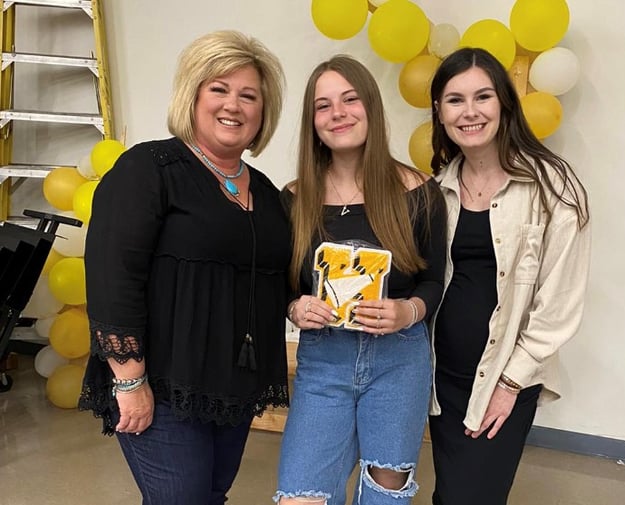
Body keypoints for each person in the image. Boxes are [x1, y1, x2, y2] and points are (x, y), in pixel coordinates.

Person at [77, 30, 291, 505]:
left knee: (211, 494)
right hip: (160, 383)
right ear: (192, 95)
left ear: (263, 110)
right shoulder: (150, 168)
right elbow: (114, 277)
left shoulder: (271, 195)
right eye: (219, 89)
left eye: (248, 95)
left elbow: (284, 278)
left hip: (230, 389)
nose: (233, 104)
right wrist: (130, 382)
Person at [274, 55, 447, 505]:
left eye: (350, 99)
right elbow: (282, 283)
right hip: (323, 362)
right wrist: (296, 307)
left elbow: (433, 281)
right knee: (300, 495)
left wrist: (407, 310)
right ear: (313, 121)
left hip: (399, 362)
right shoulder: (293, 199)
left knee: (386, 492)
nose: (338, 113)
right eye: (323, 105)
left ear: (371, 105)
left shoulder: (419, 191)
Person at [427, 47, 591, 505]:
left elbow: (559, 303)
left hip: (503, 378)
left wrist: (510, 384)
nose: (470, 111)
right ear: (439, 113)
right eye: (455, 100)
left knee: (470, 496)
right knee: (450, 491)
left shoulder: (554, 186)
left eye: (483, 96)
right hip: (442, 377)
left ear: (504, 103)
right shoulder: (436, 189)